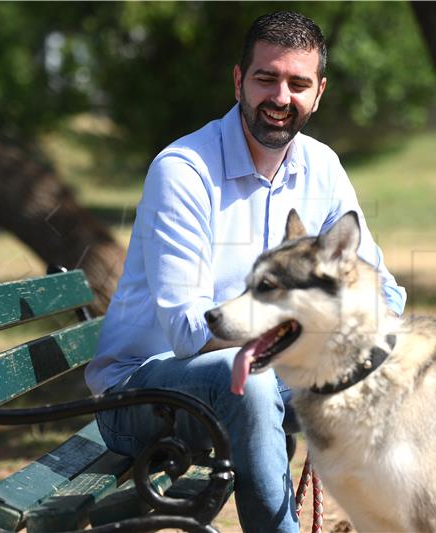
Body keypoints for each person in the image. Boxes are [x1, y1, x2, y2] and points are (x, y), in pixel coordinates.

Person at [85, 10, 406, 532]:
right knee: (252, 383)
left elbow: (383, 291)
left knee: (403, 365)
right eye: (266, 78)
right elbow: (190, 334)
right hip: (143, 395)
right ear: (239, 81)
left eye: (297, 83)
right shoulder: (185, 171)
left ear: (318, 92)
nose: (280, 97)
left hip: (264, 371)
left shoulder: (321, 167)